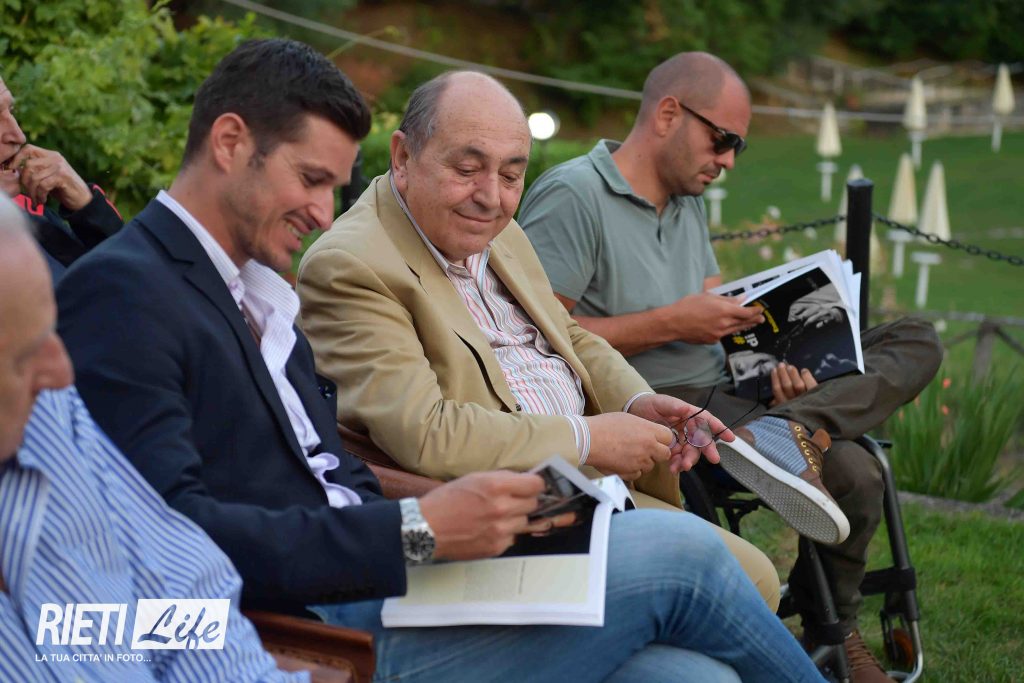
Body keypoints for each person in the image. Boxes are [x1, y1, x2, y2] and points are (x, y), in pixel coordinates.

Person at [56, 39, 825, 683]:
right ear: (230, 144)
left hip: (392, 574)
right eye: (312, 180)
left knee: (693, 676)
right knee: (688, 555)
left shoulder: (249, 285)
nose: (324, 213)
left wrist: (463, 520)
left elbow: (323, 467)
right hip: (314, 628)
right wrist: (419, 533)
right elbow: (172, 537)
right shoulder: (125, 290)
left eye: (334, 186)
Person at [518, 51, 943, 683]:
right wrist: (673, 322)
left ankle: (798, 420)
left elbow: (716, 318)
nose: (729, 161)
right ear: (668, 114)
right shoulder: (573, 195)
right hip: (661, 399)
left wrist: (781, 367)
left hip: (733, 383)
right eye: (724, 140)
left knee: (914, 336)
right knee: (855, 473)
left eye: (737, 146)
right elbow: (537, 338)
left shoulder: (687, 200)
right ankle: (834, 630)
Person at [296, 69, 781, 608]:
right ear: (403, 157)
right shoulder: (351, 265)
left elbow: (565, 332)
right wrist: (587, 438)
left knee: (736, 593)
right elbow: (426, 435)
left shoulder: (498, 230)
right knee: (747, 583)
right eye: (467, 169)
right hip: (511, 518)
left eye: (511, 175)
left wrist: (637, 401)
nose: (491, 198)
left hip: (591, 489)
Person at [0, 196, 302, 682]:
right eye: (22, 353)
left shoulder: (48, 415)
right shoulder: (128, 295)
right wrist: (411, 534)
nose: (60, 372)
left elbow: (177, 584)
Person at [0, 74, 123, 280]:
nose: (18, 136)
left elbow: (128, 279)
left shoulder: (24, 213)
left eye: (10, 111)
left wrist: (87, 207)